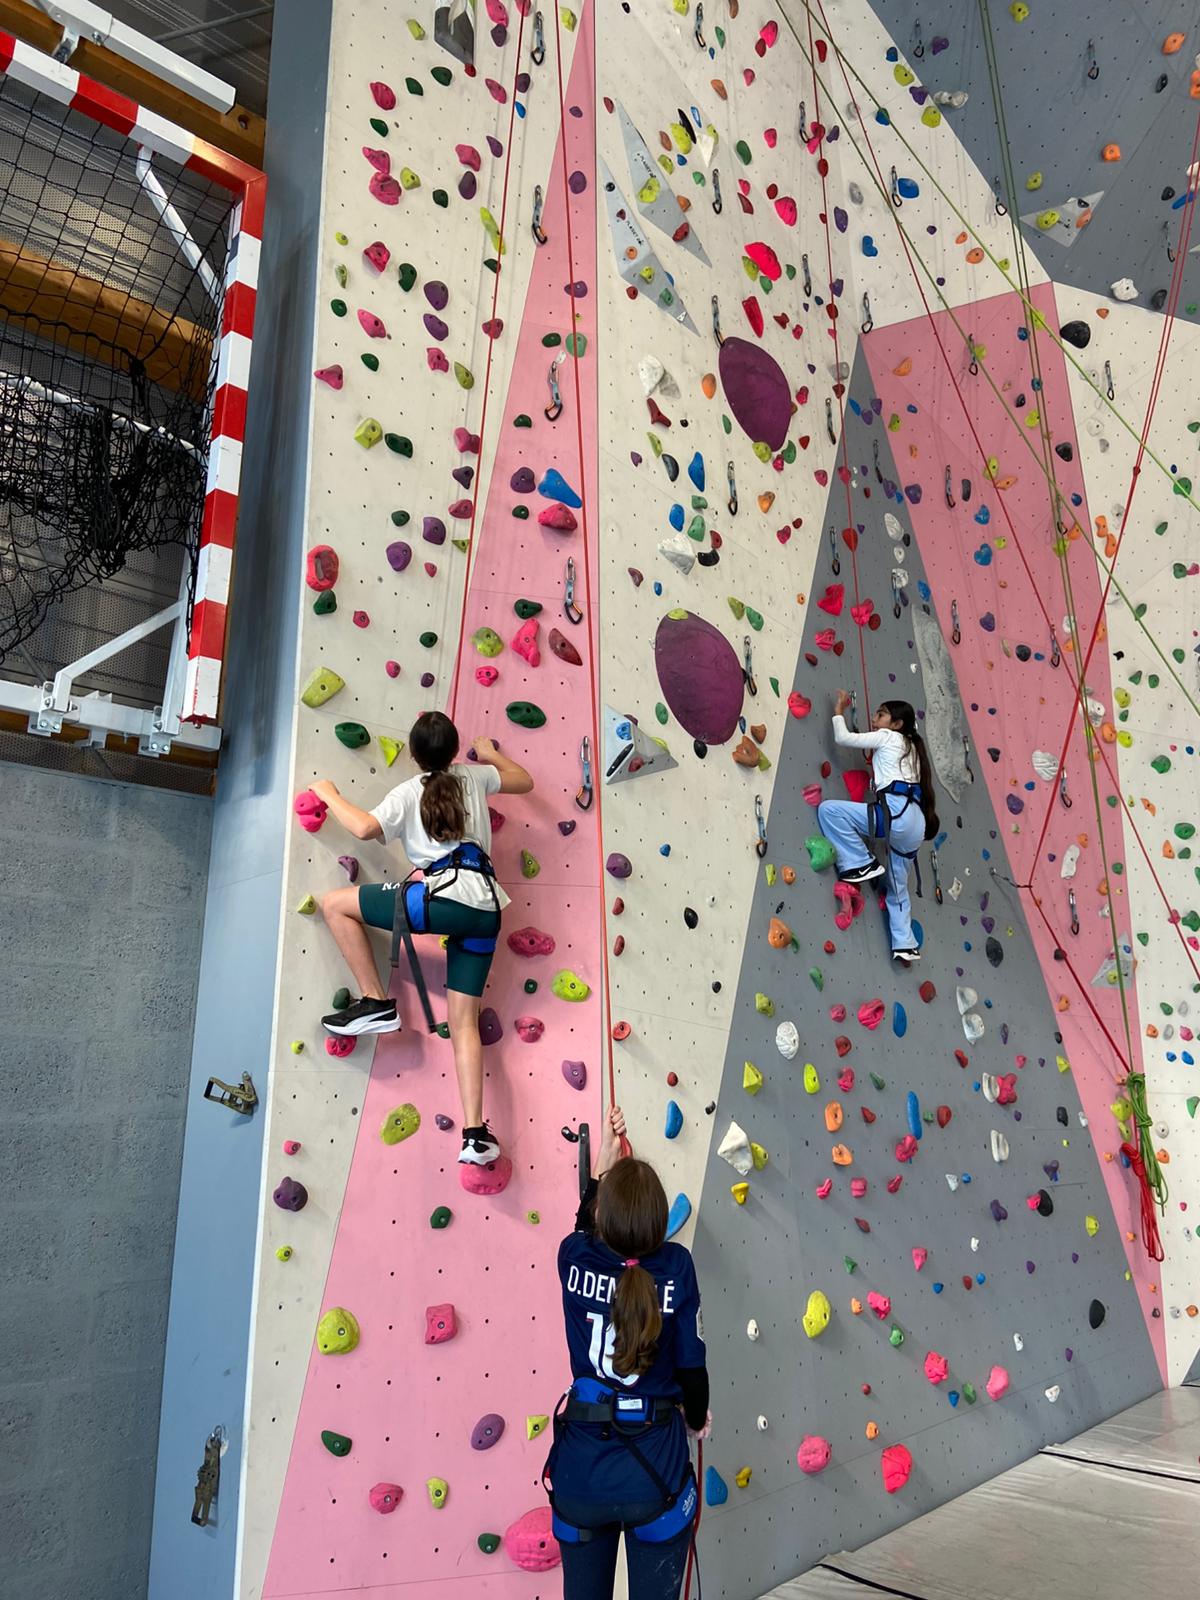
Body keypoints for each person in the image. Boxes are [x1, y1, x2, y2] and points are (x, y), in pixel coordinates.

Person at [310, 711, 533, 1164]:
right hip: (487, 910)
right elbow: (524, 781)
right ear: (454, 749)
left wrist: (327, 793)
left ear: (413, 755)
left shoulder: (408, 792)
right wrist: (490, 753)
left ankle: (375, 1001)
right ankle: (474, 1135)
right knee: (464, 1024)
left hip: (444, 897)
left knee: (335, 905)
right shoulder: (474, 777)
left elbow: (363, 828)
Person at [545, 1105, 709, 1600]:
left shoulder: (572, 1256)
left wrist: (602, 1167)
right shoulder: (676, 1267)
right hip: (654, 1474)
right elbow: (692, 1367)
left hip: (581, 1475)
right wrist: (696, 1417)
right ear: (658, 1222)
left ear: (603, 1215)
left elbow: (585, 1227)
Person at [816, 693, 939, 967]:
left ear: (896, 724)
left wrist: (838, 710)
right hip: (915, 824)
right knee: (898, 886)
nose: (874, 719)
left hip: (895, 814)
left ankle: (860, 862)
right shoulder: (913, 750)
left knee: (829, 811)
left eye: (880, 714)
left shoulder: (888, 737)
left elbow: (843, 738)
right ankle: (905, 944)